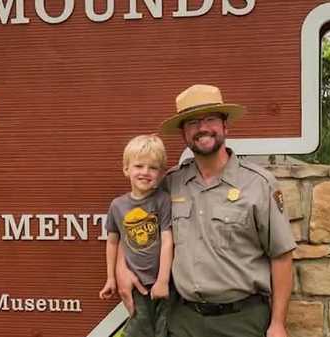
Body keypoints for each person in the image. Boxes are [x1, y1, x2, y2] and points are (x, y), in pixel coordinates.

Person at [117, 84, 297, 337]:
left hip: (242, 321)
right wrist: (121, 269)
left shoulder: (259, 185)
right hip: (184, 321)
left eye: (210, 119)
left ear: (225, 126)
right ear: (184, 134)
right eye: (192, 122)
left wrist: (278, 323)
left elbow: (281, 256)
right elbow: (132, 222)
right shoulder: (170, 183)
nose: (202, 128)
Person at [100, 134, 173, 337]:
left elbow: (168, 241)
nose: (145, 172)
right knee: (139, 330)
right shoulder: (118, 205)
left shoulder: (162, 200)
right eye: (139, 166)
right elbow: (113, 242)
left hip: (164, 285)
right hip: (137, 285)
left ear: (160, 174)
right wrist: (111, 278)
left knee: (165, 330)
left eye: (153, 168)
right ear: (126, 169)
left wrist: (163, 281)